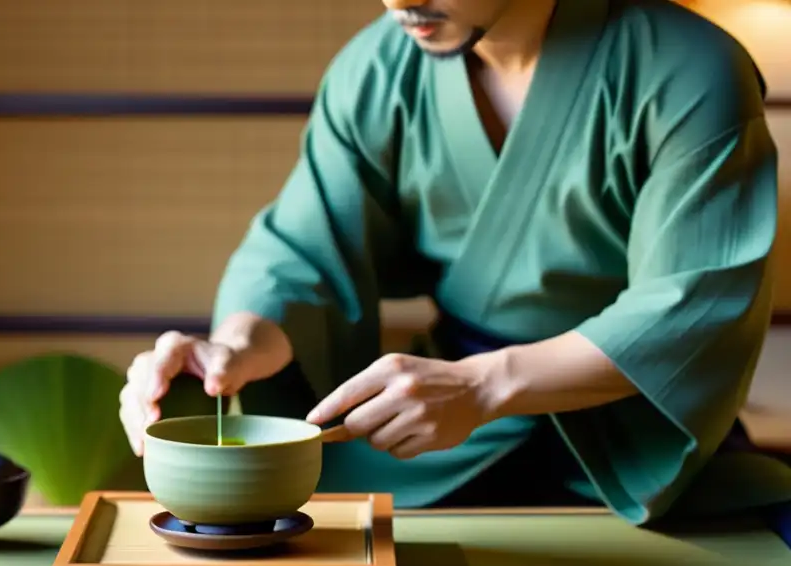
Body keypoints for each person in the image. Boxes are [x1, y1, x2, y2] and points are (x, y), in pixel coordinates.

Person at [120, 0, 791, 525]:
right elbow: (300, 254)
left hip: (636, 435)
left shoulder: (688, 69)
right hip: (431, 440)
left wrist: (485, 387)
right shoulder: (378, 69)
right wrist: (232, 348)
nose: (400, 1)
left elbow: (692, 298)